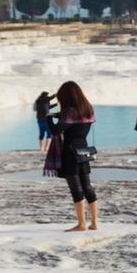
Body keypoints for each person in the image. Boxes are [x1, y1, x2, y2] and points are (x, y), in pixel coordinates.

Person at [44, 80, 100, 232]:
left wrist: (47, 117)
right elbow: (72, 121)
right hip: (84, 151)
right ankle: (94, 223)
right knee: (88, 187)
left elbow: (55, 131)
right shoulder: (88, 110)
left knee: (76, 189)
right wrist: (56, 114)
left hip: (69, 153)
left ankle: (81, 224)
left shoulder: (69, 113)